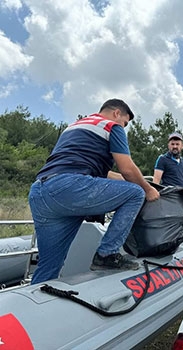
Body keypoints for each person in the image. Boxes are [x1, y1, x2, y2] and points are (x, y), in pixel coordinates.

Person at [28, 99, 160, 284]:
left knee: (49, 265)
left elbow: (100, 172)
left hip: (41, 192)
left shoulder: (74, 127)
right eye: (125, 123)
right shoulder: (112, 126)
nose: (124, 127)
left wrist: (135, 179)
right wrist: (147, 189)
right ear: (116, 113)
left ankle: (36, 304)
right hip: (69, 188)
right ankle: (107, 255)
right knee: (135, 193)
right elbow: (127, 169)